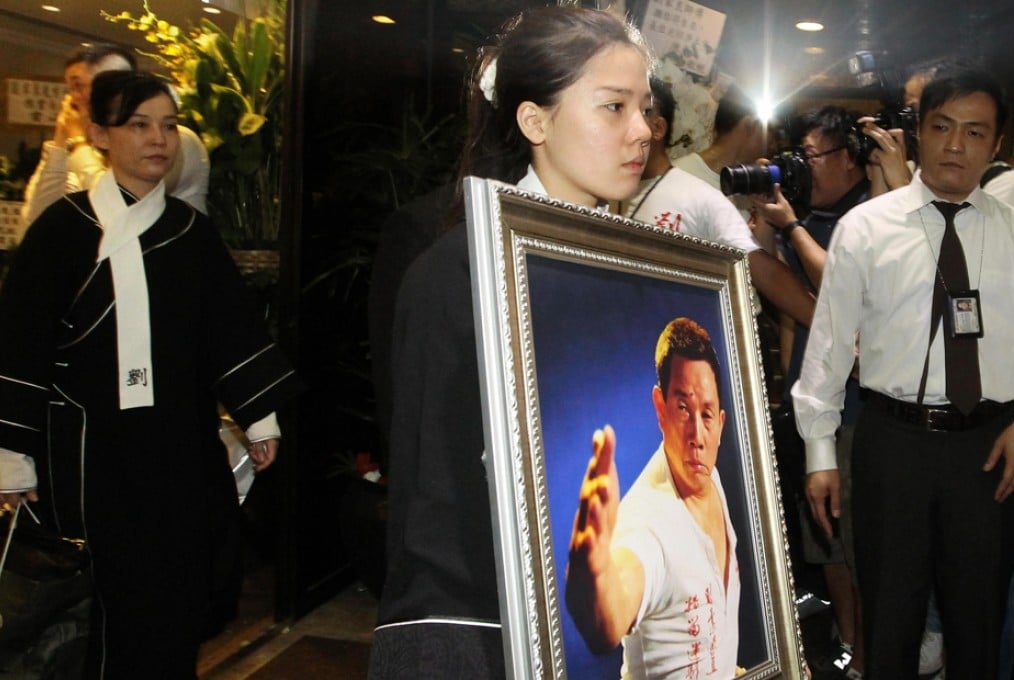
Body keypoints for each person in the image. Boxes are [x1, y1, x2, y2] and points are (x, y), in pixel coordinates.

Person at [367, 7, 653, 678]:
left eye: (646, 107)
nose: (641, 130)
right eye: (614, 107)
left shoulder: (643, 269)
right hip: (488, 629)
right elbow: (434, 499)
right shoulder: (458, 270)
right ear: (535, 121)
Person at [0, 70, 300, 678]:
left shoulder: (192, 234)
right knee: (84, 612)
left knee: (171, 601)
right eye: (138, 125)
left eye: (168, 125)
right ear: (101, 134)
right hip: (82, 457)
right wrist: (12, 454)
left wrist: (259, 417)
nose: (157, 139)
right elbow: (18, 346)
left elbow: (230, 334)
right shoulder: (61, 231)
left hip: (175, 455)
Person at [792, 66, 1014, 679]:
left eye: (975, 133)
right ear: (918, 133)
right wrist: (820, 452)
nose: (955, 145)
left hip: (989, 450)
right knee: (890, 623)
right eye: (942, 127)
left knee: (979, 624)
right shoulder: (866, 228)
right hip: (892, 445)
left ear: (995, 146)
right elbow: (831, 344)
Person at [752, 105, 871, 679]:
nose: (801, 168)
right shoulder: (807, 218)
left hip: (857, 411)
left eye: (813, 155)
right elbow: (792, 312)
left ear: (849, 157)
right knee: (828, 547)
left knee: (860, 545)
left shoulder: (871, 214)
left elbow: (847, 291)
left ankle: (874, 655)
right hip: (812, 407)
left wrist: (793, 229)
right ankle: (849, 649)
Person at [565, 317, 739, 679]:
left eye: (706, 415)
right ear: (660, 408)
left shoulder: (710, 476)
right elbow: (610, 619)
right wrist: (593, 574)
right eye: (682, 408)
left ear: (721, 423)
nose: (696, 434)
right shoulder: (648, 520)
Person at [628, 76, 816, 328]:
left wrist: (835, 333)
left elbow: (766, 271)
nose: (772, 144)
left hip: (722, 332)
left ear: (658, 127)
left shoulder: (699, 192)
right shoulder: (611, 191)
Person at [20, 44, 209, 230]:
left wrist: (78, 146)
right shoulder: (79, 145)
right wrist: (61, 143)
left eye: (79, 86)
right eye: (71, 88)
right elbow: (37, 219)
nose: (74, 98)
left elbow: (121, 201)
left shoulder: (174, 141)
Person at [674, 84, 763, 222]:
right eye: (768, 132)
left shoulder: (743, 193)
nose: (771, 144)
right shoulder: (683, 177)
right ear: (750, 125)